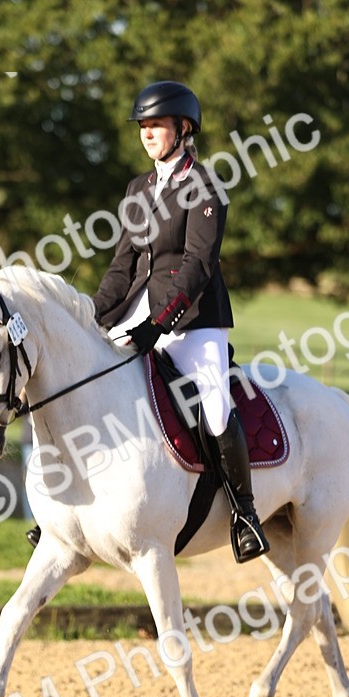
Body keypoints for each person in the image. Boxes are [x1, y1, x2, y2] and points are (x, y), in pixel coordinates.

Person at [96, 80, 270, 561]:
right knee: (89, 377)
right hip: (138, 309)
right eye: (143, 126)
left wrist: (160, 322)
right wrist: (90, 315)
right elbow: (122, 267)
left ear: (183, 128)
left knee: (213, 405)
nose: (147, 133)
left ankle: (245, 514)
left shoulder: (206, 185)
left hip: (194, 317)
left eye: (156, 125)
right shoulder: (138, 188)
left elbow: (198, 264)